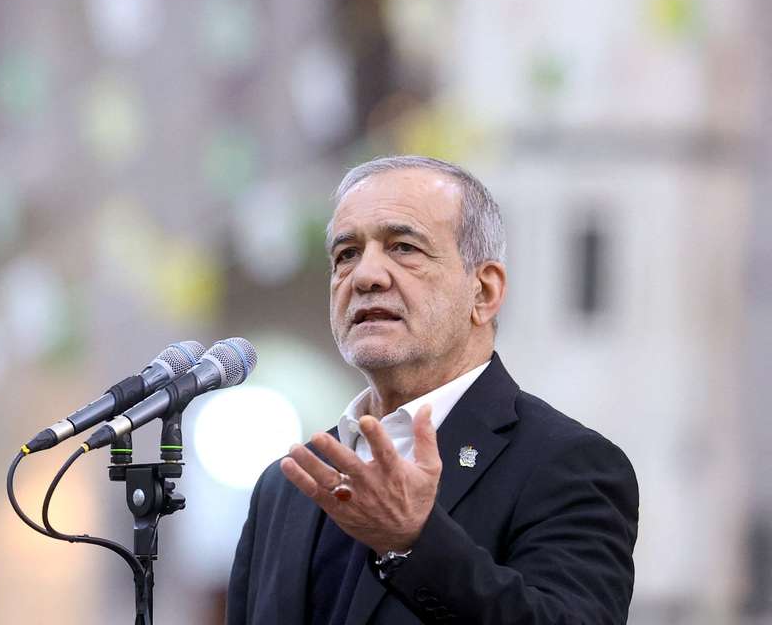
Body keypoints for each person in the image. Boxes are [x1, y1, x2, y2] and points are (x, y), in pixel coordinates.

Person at [226, 156, 638, 624]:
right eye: (346, 254)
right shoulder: (286, 487)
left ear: (483, 292)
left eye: (403, 248)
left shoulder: (566, 465)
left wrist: (415, 543)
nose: (366, 277)